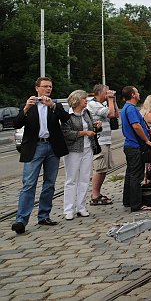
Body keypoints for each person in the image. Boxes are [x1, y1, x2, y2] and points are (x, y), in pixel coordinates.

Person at [11, 77, 70, 234]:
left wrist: (53, 107)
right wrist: (25, 109)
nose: (48, 89)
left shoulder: (54, 105)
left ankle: (44, 215)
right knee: (29, 183)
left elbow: (66, 119)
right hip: (35, 147)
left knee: (49, 183)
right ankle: (21, 220)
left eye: (50, 87)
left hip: (52, 146)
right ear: (37, 88)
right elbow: (16, 123)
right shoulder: (29, 105)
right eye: (45, 86)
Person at [61, 90, 100, 220]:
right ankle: (68, 209)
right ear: (77, 100)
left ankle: (81, 207)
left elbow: (90, 127)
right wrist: (84, 133)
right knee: (71, 179)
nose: (86, 101)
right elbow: (66, 133)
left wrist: (95, 126)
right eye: (84, 99)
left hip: (88, 148)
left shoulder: (86, 113)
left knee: (84, 178)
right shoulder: (68, 115)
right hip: (73, 150)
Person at [120, 86, 151, 212]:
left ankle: (128, 201)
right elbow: (135, 126)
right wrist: (147, 140)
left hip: (129, 146)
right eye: (137, 92)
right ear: (133, 95)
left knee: (130, 174)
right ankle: (136, 204)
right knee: (136, 176)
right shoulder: (131, 109)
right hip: (135, 146)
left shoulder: (126, 108)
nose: (139, 93)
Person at [87, 84, 118, 206]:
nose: (109, 93)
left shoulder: (102, 104)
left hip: (106, 140)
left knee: (104, 169)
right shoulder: (93, 104)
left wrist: (113, 101)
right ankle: (94, 195)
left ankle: (98, 193)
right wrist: (110, 100)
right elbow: (110, 114)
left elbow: (115, 115)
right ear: (100, 93)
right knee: (99, 168)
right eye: (107, 92)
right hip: (99, 142)